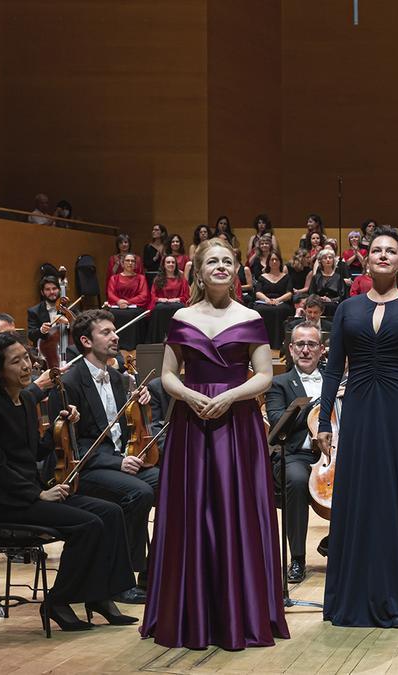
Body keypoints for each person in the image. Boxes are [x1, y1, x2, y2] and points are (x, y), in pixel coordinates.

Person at [140, 239, 288, 649]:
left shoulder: (252, 315)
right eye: (212, 262)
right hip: (190, 423)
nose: (220, 267)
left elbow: (264, 375)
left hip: (237, 423)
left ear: (237, 270)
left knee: (234, 511)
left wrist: (229, 396)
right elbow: (168, 374)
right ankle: (191, 613)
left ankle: (239, 614)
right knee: (191, 512)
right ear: (198, 272)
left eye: (227, 261)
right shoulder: (181, 315)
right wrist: (188, 395)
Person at [313, 227, 398, 628]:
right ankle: (355, 595)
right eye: (377, 251)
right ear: (366, 260)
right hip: (361, 409)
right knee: (361, 495)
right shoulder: (348, 309)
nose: (383, 256)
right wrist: (327, 419)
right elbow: (333, 370)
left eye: (391, 251)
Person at [0, 333, 138, 631]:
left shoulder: (22, 400)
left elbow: (33, 451)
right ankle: (59, 600)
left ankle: (102, 595)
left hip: (28, 493)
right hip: (6, 501)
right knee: (88, 525)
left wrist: (60, 424)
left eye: (26, 358)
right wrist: (38, 495)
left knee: (110, 513)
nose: (26, 366)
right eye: (15, 361)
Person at [49, 309, 155, 607]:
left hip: (122, 462)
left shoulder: (120, 379)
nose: (115, 336)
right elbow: (74, 445)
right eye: (106, 332)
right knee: (139, 492)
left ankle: (153, 570)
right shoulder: (68, 383)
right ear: (85, 341)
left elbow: (129, 427)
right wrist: (117, 463)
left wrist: (143, 404)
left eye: (114, 331)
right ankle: (126, 578)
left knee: (173, 482)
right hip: (88, 468)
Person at [267, 323, 327, 583]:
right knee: (297, 481)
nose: (305, 350)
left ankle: (335, 544)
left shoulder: (334, 380)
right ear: (291, 349)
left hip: (333, 454)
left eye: (311, 344)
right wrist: (314, 408)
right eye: (300, 344)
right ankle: (298, 559)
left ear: (321, 349)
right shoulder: (279, 383)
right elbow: (279, 421)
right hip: (296, 454)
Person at [106, 252, 151, 349]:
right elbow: (110, 294)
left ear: (135, 264)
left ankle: (133, 345)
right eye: (127, 260)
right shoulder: (114, 278)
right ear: (122, 263)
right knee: (112, 314)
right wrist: (119, 301)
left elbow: (144, 295)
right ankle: (114, 344)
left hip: (135, 307)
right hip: (117, 306)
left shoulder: (141, 278)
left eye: (132, 261)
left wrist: (128, 302)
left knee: (133, 314)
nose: (130, 263)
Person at [253, 252, 295, 349]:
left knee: (280, 310)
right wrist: (267, 300)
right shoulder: (262, 277)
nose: (274, 261)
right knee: (260, 310)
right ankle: (261, 343)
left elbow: (289, 293)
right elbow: (258, 292)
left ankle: (278, 344)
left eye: (277, 259)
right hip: (265, 301)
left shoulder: (286, 277)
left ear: (280, 262)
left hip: (281, 301)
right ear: (268, 262)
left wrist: (278, 300)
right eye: (272, 260)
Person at [148, 254, 190, 342]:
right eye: (168, 262)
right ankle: (160, 339)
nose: (171, 264)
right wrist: (160, 299)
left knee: (179, 308)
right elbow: (152, 296)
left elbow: (186, 296)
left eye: (173, 262)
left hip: (177, 304)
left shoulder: (182, 279)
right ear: (164, 264)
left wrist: (177, 299)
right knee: (159, 308)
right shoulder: (157, 279)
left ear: (175, 265)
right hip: (162, 304)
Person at [307, 248, 347, 315]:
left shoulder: (339, 277)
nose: (328, 260)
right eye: (325, 258)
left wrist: (330, 300)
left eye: (330, 258)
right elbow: (311, 293)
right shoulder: (316, 277)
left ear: (333, 261)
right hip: (318, 304)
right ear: (321, 261)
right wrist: (319, 299)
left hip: (334, 304)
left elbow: (342, 296)